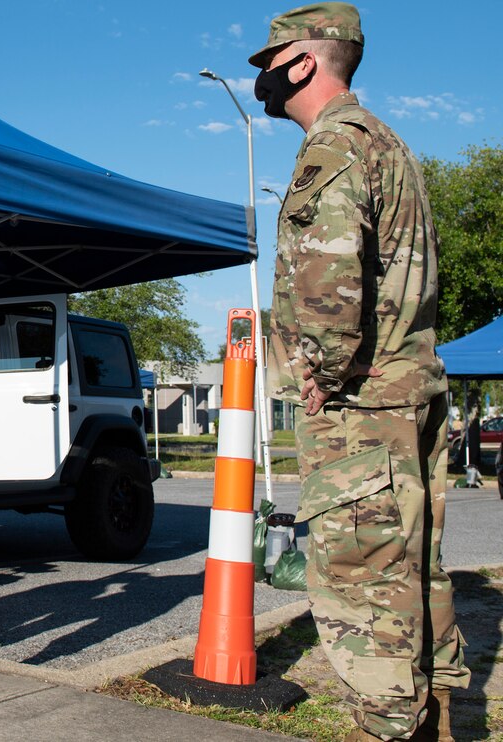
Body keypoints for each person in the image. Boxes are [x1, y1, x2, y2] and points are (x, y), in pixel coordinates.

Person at [251, 4, 470, 740]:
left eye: (271, 63)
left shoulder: (334, 147)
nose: (266, 80)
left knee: (364, 593)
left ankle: (389, 726)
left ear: (304, 62)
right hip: (405, 396)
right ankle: (429, 722)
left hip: (362, 409)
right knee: (411, 581)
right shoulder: (388, 143)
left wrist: (318, 370)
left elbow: (330, 276)